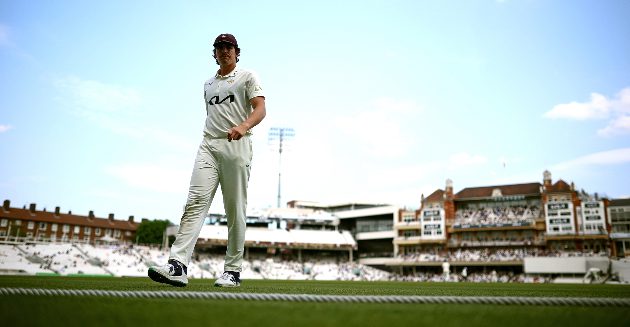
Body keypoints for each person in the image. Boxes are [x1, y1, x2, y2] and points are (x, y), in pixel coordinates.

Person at [148, 33, 266, 288]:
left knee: (234, 210)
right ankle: (177, 265)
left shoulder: (248, 77)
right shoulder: (208, 85)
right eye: (219, 47)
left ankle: (232, 271)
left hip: (237, 145)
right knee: (194, 202)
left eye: (229, 47)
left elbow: (260, 108)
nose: (224, 51)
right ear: (214, 54)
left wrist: (243, 126)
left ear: (237, 52)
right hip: (208, 145)